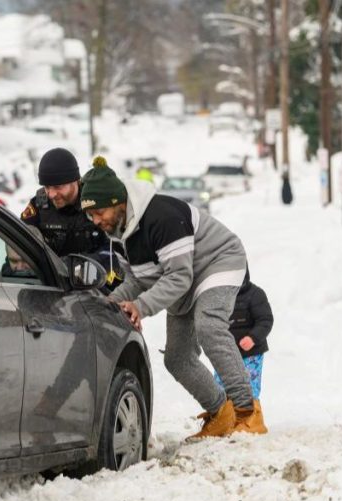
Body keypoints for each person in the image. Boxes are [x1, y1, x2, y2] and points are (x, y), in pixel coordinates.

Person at [80, 156, 267, 438]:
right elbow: (137, 280)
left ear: (118, 201)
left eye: (99, 213)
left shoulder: (161, 217)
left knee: (209, 327)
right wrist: (111, 302)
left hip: (217, 262)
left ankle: (247, 412)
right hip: (183, 278)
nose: (96, 221)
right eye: (90, 216)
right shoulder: (118, 233)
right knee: (177, 358)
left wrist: (140, 307)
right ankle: (221, 414)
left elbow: (180, 277)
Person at [21, 148, 122, 288]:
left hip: (98, 286)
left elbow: (117, 249)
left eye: (57, 187)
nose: (51, 194)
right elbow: (20, 241)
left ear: (75, 181)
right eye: (47, 187)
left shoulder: (96, 201)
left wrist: (82, 265)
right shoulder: (38, 206)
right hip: (54, 287)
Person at [214, 276, 273, 399]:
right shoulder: (218, 294)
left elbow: (265, 320)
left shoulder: (256, 294)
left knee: (249, 387)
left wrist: (253, 338)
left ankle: (250, 414)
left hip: (251, 354)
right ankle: (221, 413)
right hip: (224, 353)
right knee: (220, 386)